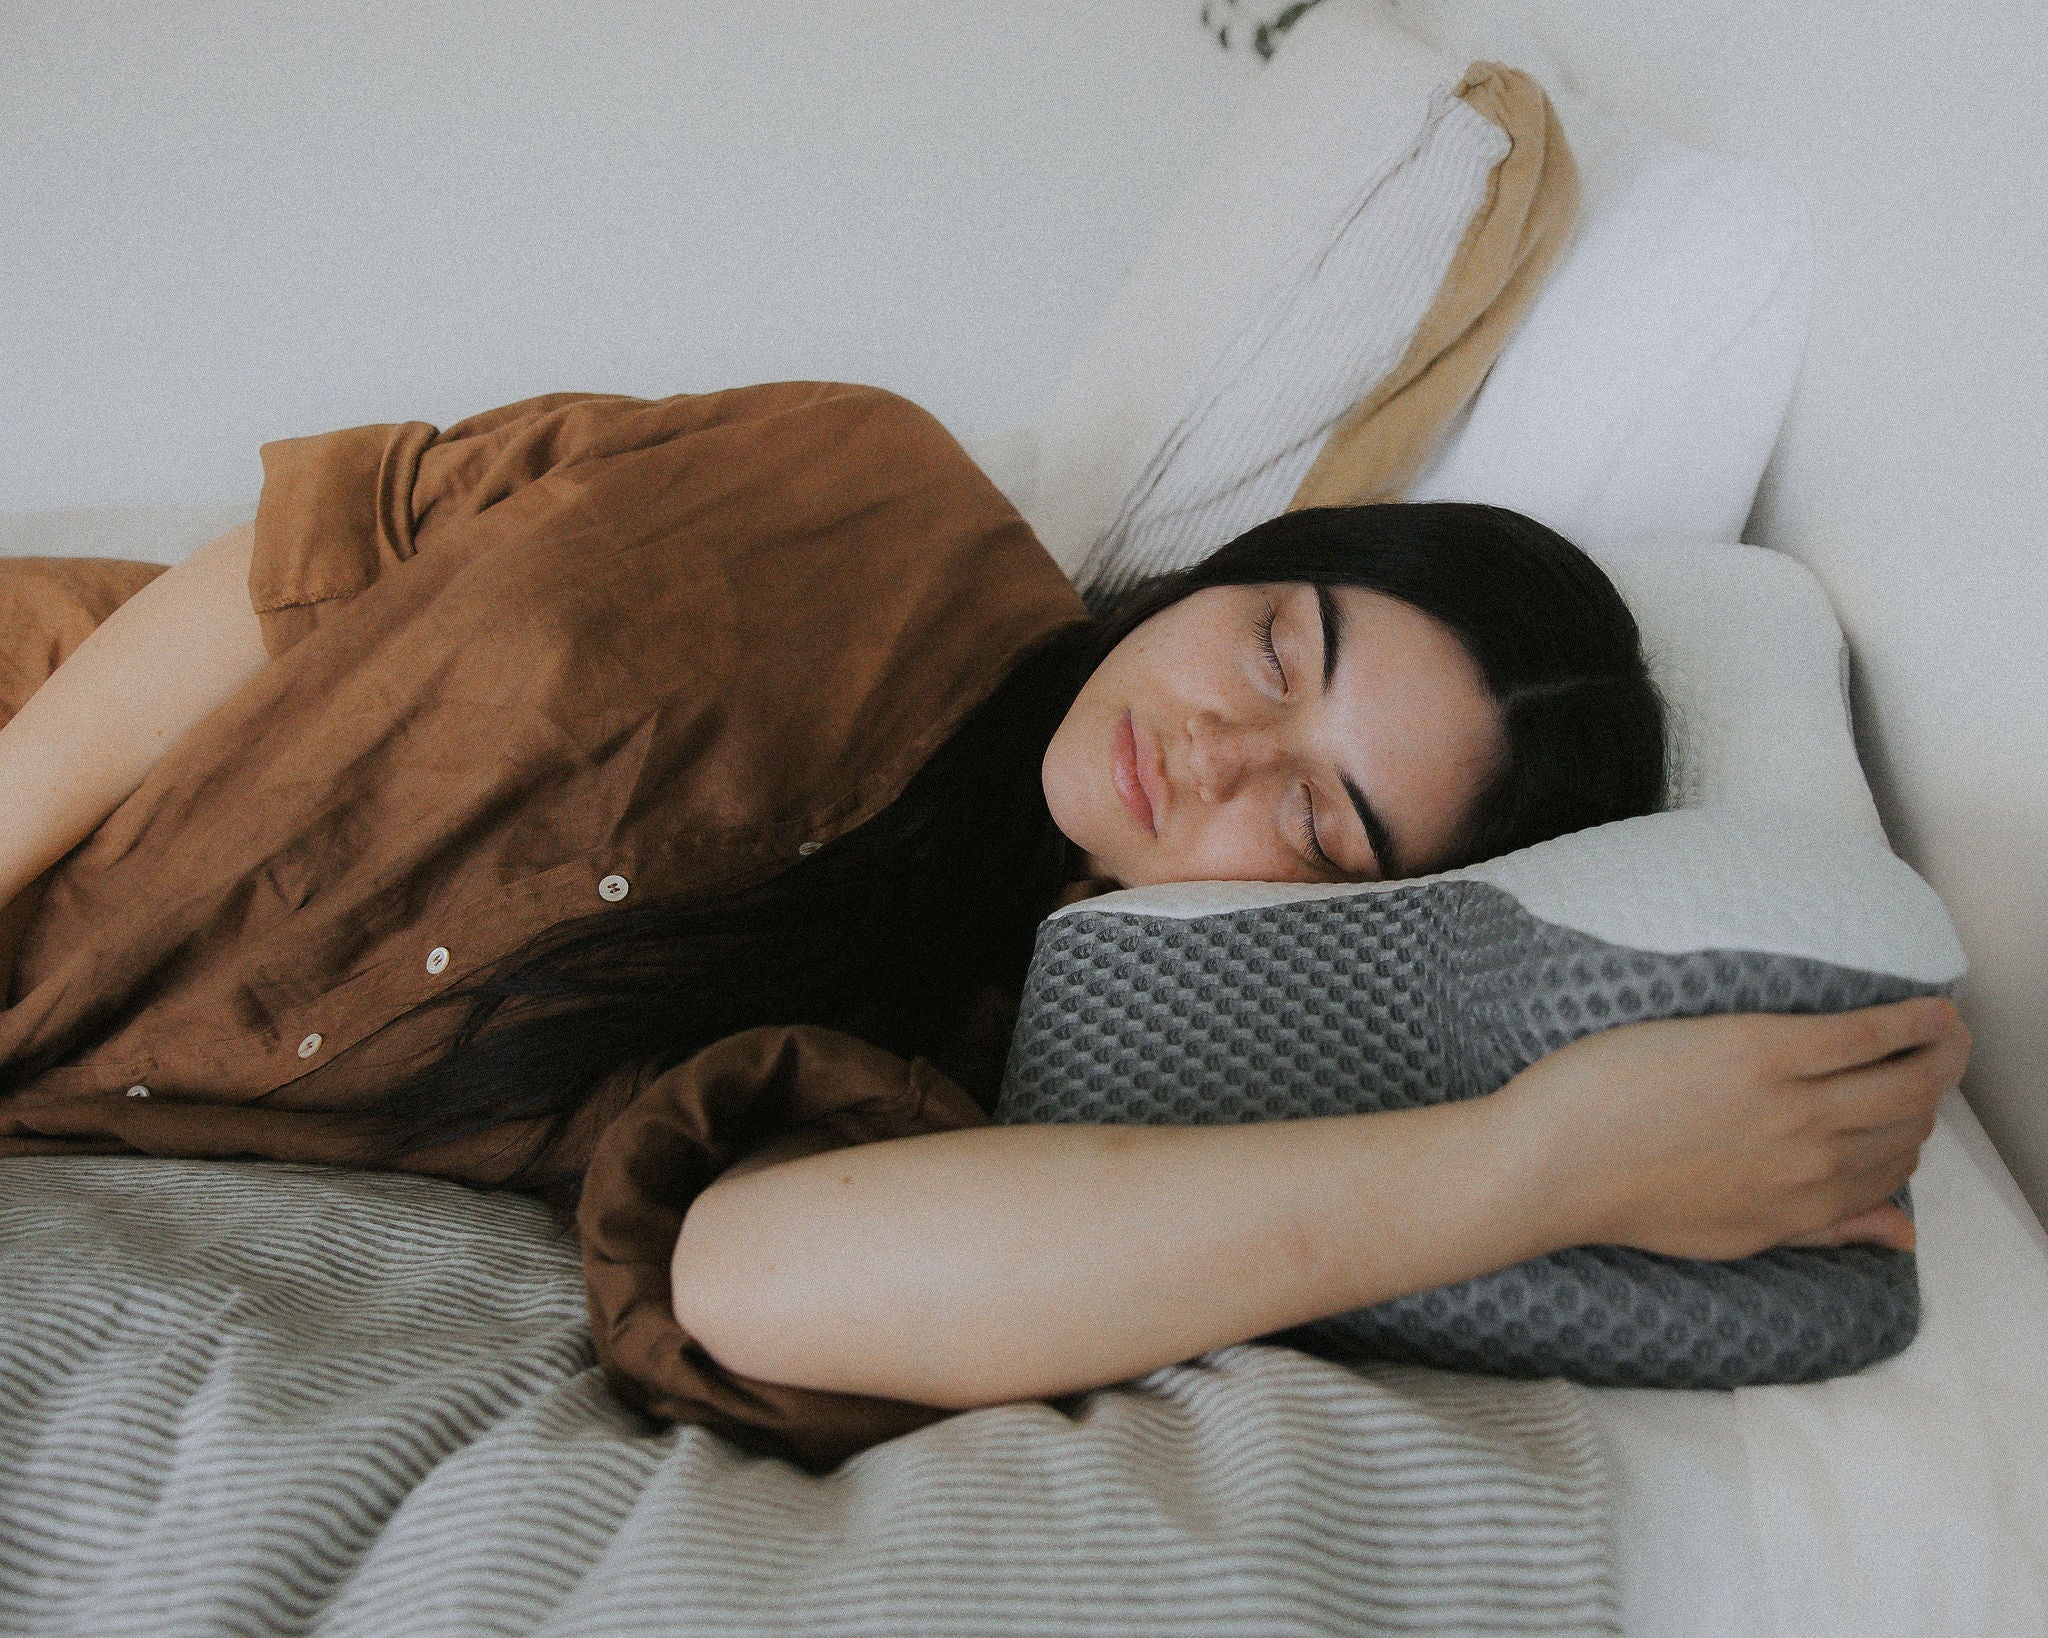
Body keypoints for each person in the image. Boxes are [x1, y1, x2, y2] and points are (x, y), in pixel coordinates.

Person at [0, 383, 1966, 1466]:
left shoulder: (975, 1048)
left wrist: (1541, 1166)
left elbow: (759, 1288)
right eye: (1279, 647)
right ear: (1243, 572)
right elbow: (300, 563)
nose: (1215, 753)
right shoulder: (867, 488)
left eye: (1320, 820)